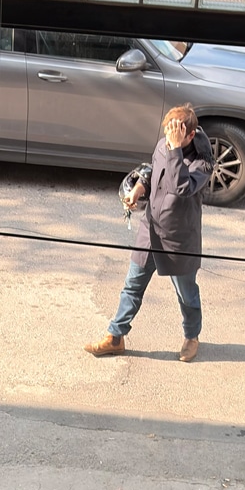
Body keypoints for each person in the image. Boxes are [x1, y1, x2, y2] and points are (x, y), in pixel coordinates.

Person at [85, 104, 212, 364]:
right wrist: (137, 191)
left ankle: (192, 336)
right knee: (132, 286)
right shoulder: (163, 145)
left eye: (174, 134)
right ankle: (116, 336)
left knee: (186, 295)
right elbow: (152, 173)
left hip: (180, 239)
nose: (167, 139)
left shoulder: (202, 164)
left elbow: (180, 187)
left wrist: (175, 149)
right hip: (150, 230)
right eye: (166, 133)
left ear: (189, 136)